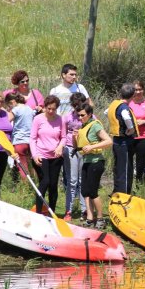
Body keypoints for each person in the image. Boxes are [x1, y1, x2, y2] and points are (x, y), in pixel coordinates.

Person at [75, 103, 112, 229]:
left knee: (93, 191)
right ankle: (90, 218)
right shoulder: (83, 126)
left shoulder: (95, 125)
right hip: (86, 161)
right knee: (85, 191)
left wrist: (92, 147)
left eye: (82, 115)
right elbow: (78, 147)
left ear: (90, 114)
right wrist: (75, 138)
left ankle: (100, 218)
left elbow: (108, 141)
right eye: (78, 115)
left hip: (96, 162)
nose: (80, 118)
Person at [29, 95, 65, 214]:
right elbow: (32, 138)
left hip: (55, 157)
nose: (50, 111)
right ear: (45, 107)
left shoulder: (60, 120)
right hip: (41, 155)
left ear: (57, 108)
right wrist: (35, 155)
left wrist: (60, 146)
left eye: (53, 109)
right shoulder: (38, 119)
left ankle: (52, 212)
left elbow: (63, 137)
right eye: (48, 108)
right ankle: (39, 212)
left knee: (53, 185)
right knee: (45, 181)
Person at [107, 83, 138, 194]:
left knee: (118, 167)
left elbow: (107, 112)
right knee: (125, 169)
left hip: (116, 140)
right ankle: (124, 193)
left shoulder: (114, 104)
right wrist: (131, 128)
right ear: (132, 96)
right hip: (123, 141)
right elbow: (126, 117)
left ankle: (116, 191)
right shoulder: (124, 107)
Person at [62, 92, 88, 221]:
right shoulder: (68, 118)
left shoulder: (89, 116)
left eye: (81, 104)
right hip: (70, 148)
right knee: (72, 181)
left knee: (83, 180)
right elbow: (62, 133)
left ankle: (85, 210)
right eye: (76, 105)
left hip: (84, 148)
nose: (78, 107)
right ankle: (69, 210)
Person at [5, 92, 35, 181]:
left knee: (22, 167)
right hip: (30, 141)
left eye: (9, 105)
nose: (9, 108)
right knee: (32, 166)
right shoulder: (29, 109)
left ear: (12, 102)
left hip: (19, 141)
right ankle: (36, 184)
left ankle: (25, 187)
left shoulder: (16, 110)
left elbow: (6, 123)